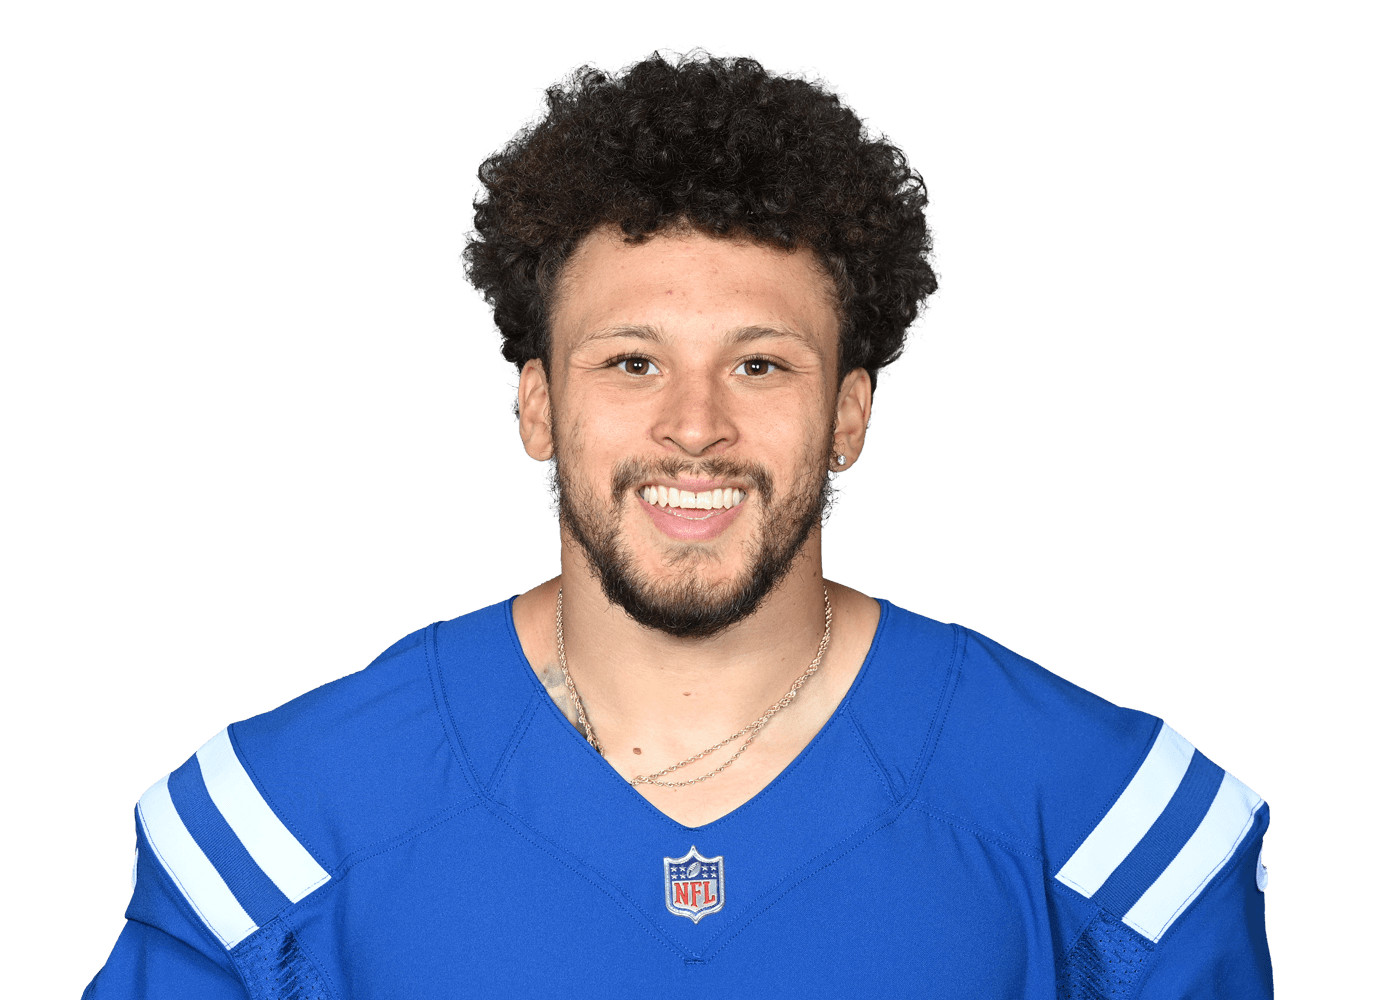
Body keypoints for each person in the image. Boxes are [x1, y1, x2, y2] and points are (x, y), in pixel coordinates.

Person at [86, 47, 1272, 998]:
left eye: (759, 364)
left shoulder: (1094, 814)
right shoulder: (290, 818)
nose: (694, 426)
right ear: (537, 407)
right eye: (631, 362)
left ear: (847, 414)